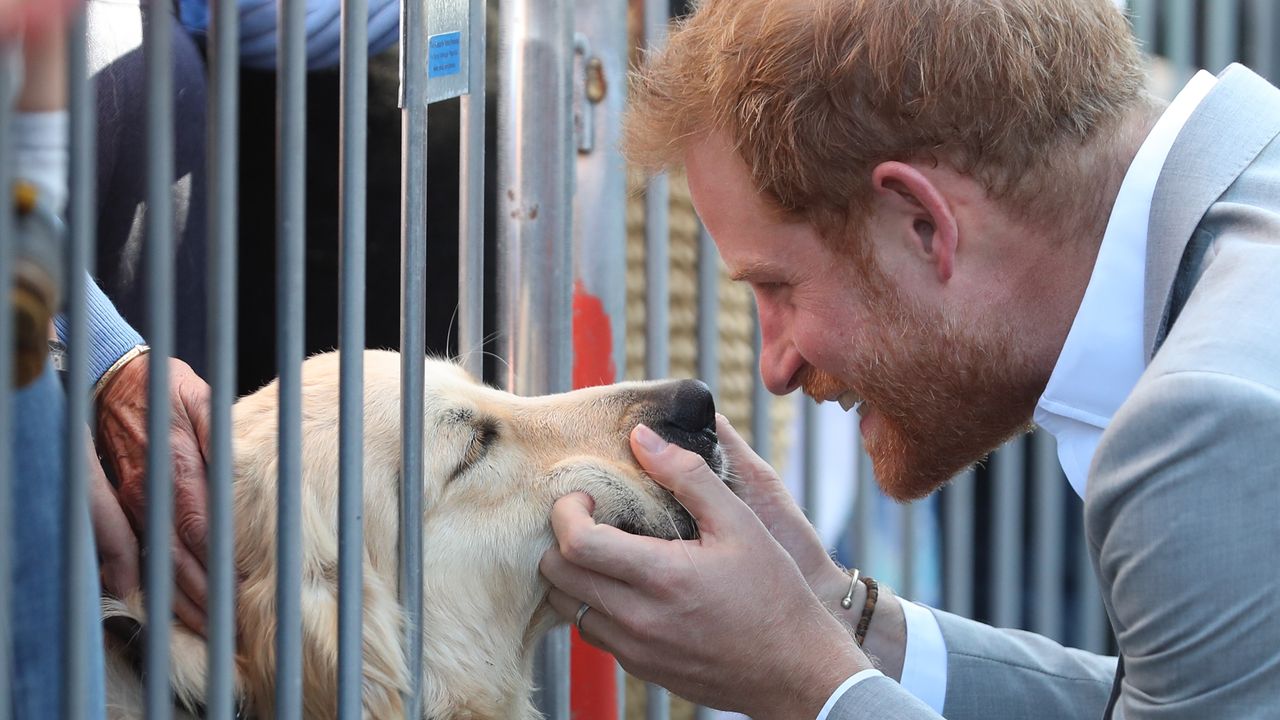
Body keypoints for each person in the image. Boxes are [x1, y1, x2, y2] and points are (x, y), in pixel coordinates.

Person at [539, 0, 1280, 718]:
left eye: (779, 286)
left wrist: (804, 683)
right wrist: (841, 618)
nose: (775, 366)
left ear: (923, 224)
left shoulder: (1204, 425)